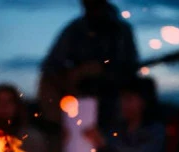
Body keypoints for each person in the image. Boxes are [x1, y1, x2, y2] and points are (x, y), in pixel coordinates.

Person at [38, 0, 140, 134]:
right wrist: (78, 73)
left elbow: (130, 67)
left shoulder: (121, 31)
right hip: (80, 99)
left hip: (114, 97)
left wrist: (104, 71)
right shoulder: (74, 30)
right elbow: (50, 66)